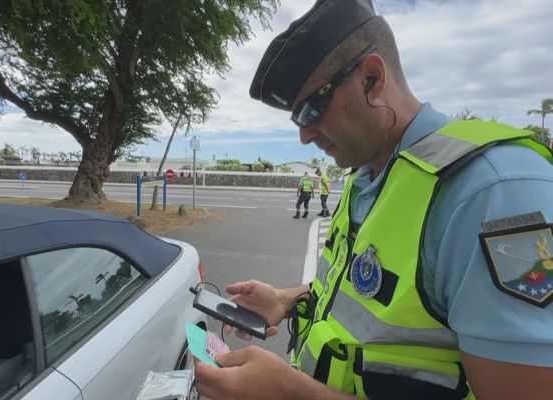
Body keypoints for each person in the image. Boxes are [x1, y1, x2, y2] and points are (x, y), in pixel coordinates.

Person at [194, 0, 553, 399]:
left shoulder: (491, 191)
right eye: (296, 119)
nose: (304, 136)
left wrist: (290, 393)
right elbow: (364, 295)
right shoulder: (365, 177)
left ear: (372, 78)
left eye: (312, 108)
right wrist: (285, 298)